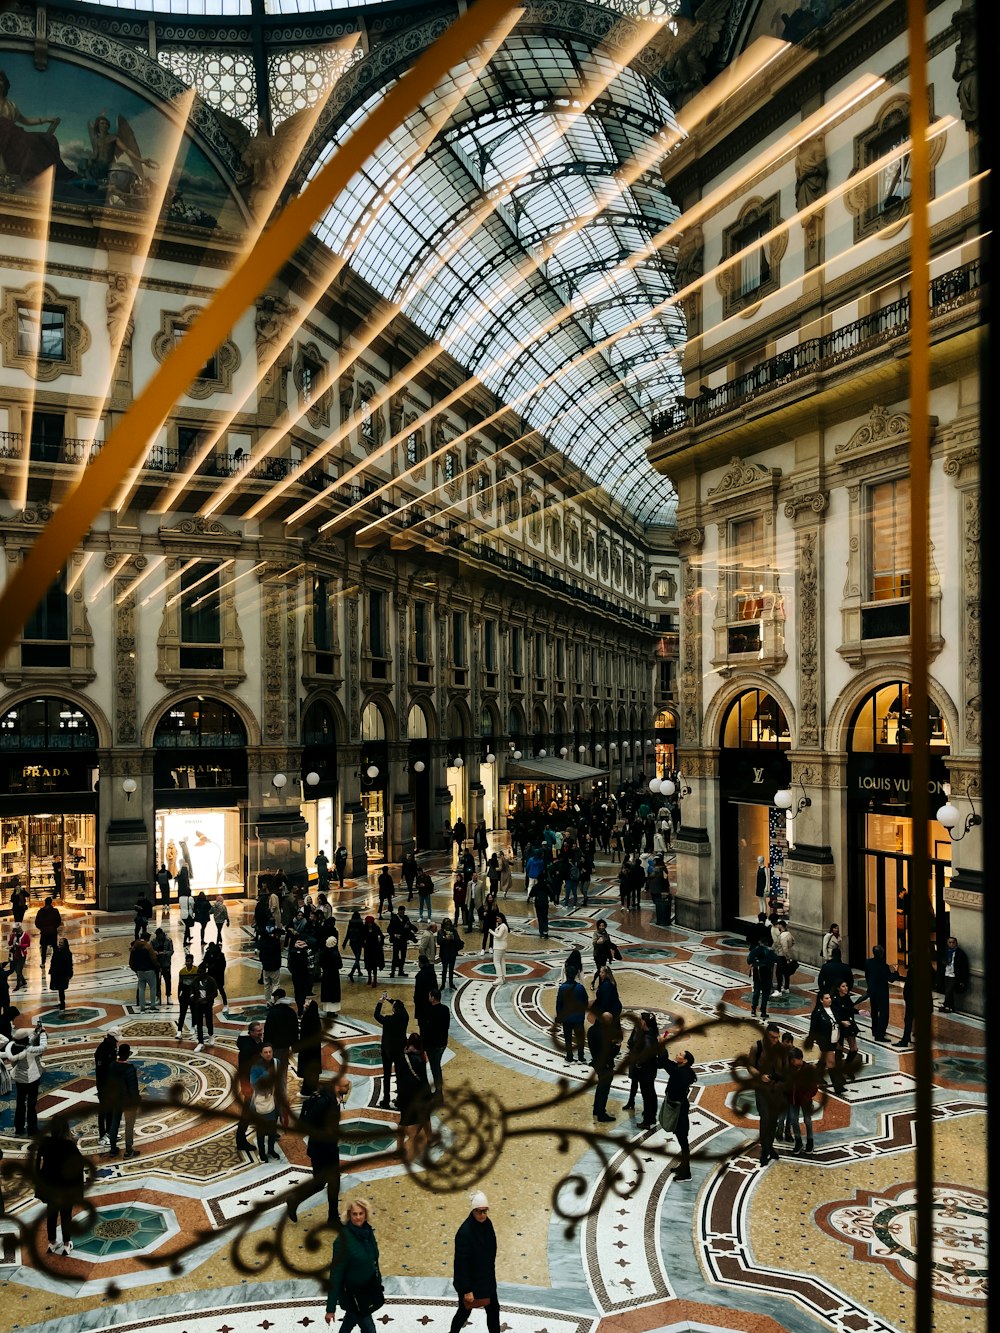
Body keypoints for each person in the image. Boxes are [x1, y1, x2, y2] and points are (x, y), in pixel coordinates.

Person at [288, 1072, 350, 1225]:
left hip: (329, 1147)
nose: (348, 1089)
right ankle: (294, 1200)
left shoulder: (334, 1098)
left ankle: (332, 1217)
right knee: (321, 1183)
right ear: (337, 1087)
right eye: (346, 1086)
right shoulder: (323, 1102)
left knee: (332, 1182)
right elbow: (310, 1123)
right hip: (321, 1149)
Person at [325, 1197, 381, 1332]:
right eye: (354, 1214)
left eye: (361, 1213)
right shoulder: (342, 1241)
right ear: (349, 1215)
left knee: (349, 1322)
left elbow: (374, 1260)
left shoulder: (367, 1232)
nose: (358, 1218)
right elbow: (335, 1275)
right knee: (369, 1329)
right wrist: (330, 1309)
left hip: (367, 1292)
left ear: (366, 1214)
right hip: (354, 1296)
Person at [35, 1115, 88, 1255]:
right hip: (65, 1187)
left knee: (51, 1214)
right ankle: (66, 1244)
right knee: (66, 1216)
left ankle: (51, 1243)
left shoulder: (45, 1143)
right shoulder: (69, 1145)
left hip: (50, 1186)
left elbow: (38, 1163)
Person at [449, 1190, 501, 1332]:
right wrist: (467, 1290)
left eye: (485, 1211)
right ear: (473, 1211)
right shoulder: (464, 1233)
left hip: (487, 1279)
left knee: (493, 1310)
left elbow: (491, 1250)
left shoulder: (487, 1224)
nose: (483, 1215)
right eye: (479, 1212)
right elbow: (461, 1265)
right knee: (464, 1311)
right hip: (470, 1283)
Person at [741, 1023, 787, 1166]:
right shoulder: (757, 1047)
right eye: (773, 1038)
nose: (775, 1040)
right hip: (762, 1088)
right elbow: (750, 1066)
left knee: (773, 1119)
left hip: (777, 1089)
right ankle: (764, 1150)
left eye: (777, 1038)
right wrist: (760, 1076)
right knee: (765, 1118)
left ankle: (770, 1146)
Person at [655, 1044, 698, 1180]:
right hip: (679, 1107)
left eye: (680, 1054)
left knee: (683, 1140)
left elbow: (665, 1063)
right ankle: (683, 1167)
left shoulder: (680, 1072)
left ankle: (687, 1173)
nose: (678, 1054)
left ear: (684, 1060)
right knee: (681, 1139)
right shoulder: (681, 1069)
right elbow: (665, 1062)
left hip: (679, 1109)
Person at [395, 1030, 432, 1160]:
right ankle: (415, 1144)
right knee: (421, 1119)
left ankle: (398, 1149)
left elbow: (398, 1077)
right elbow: (423, 1079)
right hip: (417, 1096)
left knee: (403, 1121)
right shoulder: (419, 1060)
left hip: (403, 1095)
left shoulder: (401, 1057)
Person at [10, 1020, 48, 1135]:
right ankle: (32, 1129)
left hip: (19, 1079)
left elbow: (28, 1040)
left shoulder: (14, 1046)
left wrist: (36, 1031)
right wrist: (42, 1034)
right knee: (31, 1105)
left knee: (20, 1103)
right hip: (31, 1079)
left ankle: (19, 1128)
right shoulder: (29, 1050)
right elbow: (43, 1047)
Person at [106, 1042, 141, 1158]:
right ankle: (128, 1150)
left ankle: (112, 1149)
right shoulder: (129, 1069)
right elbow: (133, 1088)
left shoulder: (112, 1065)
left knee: (114, 1123)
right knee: (129, 1125)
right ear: (128, 1055)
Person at [235, 1020, 264, 1155]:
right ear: (251, 1032)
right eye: (258, 1030)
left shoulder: (255, 1042)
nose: (261, 1032)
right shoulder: (248, 1048)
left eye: (261, 1029)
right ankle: (241, 1141)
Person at [249, 1044, 282, 1161]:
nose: (268, 1054)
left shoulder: (277, 1062)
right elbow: (253, 1084)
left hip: (274, 1100)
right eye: (266, 1052)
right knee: (261, 1130)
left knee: (273, 1129)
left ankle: (271, 1150)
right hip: (261, 1100)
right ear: (261, 1054)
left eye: (270, 1052)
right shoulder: (256, 1066)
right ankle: (262, 1153)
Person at [858, 944, 897, 1041]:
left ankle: (875, 1030)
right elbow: (891, 979)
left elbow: (867, 975)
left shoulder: (868, 962)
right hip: (882, 993)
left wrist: (870, 986)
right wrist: (896, 972)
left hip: (872, 991)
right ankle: (879, 1035)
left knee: (874, 1012)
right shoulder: (884, 966)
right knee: (884, 1014)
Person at [375, 994, 408, 1109]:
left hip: (387, 1051)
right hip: (400, 1051)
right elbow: (401, 1008)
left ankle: (386, 1099)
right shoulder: (405, 1017)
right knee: (400, 1076)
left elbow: (376, 1015)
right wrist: (390, 1000)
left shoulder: (388, 1020)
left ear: (394, 1009)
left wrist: (380, 1002)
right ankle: (401, 1100)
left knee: (387, 1076)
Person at [588, 1010, 621, 1123]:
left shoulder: (591, 1030)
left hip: (596, 1062)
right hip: (605, 1064)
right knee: (604, 1089)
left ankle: (597, 1109)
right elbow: (610, 1053)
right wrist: (617, 1047)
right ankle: (601, 1113)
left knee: (600, 1087)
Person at [785, 1047, 819, 1154]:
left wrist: (806, 1097)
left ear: (800, 1058)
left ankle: (810, 1142)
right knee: (794, 1121)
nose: (792, 1062)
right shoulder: (790, 1069)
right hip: (793, 1100)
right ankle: (798, 1142)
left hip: (805, 1101)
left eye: (793, 1060)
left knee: (807, 1121)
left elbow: (814, 1087)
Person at [94, 1027, 120, 1148]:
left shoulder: (112, 1046)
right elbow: (102, 1069)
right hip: (104, 1084)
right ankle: (102, 1136)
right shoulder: (102, 1049)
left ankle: (110, 1132)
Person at [556, 970, 589, 1064]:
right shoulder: (580, 987)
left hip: (566, 1018)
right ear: (575, 976)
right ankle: (581, 1057)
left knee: (568, 1038)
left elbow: (559, 1004)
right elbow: (585, 1001)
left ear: (566, 975)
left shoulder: (562, 988)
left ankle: (569, 1056)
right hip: (578, 1017)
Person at [424, 987, 451, 1097]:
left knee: (435, 1067)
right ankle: (438, 1089)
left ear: (433, 998)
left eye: (429, 995)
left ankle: (438, 1092)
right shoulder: (445, 1009)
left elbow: (428, 1030)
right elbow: (447, 1026)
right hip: (443, 1043)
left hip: (433, 1045)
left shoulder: (430, 1011)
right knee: (436, 1066)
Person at [297, 997, 323, 1098]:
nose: (304, 1004)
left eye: (306, 1003)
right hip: (314, 1049)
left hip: (308, 1050)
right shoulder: (315, 1018)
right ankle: (312, 1087)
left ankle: (306, 1091)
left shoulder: (308, 1019)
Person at [747, 936, 779, 1019]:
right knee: (765, 994)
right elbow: (777, 960)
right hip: (767, 975)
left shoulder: (755, 950)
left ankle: (753, 1009)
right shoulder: (769, 952)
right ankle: (763, 1011)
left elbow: (748, 961)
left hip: (757, 974)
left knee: (756, 992)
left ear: (759, 942)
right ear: (767, 944)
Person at [129, 933, 160, 1012]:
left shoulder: (135, 946)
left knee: (141, 988)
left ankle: (142, 1006)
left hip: (139, 971)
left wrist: (135, 970)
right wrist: (158, 967)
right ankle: (153, 1005)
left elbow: (131, 961)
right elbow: (153, 959)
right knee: (153, 987)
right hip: (149, 970)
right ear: (147, 938)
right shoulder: (148, 946)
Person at [939, 936, 970, 1012]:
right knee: (948, 991)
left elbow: (964, 967)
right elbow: (942, 963)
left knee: (948, 991)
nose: (951, 944)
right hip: (946, 974)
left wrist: (963, 979)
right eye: (950, 942)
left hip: (954, 976)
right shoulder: (945, 952)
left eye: (953, 942)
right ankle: (950, 1007)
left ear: (956, 943)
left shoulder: (960, 953)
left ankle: (945, 1004)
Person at [389, 904, 418, 978]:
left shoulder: (405, 918)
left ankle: (400, 971)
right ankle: (392, 972)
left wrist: (414, 930)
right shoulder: (394, 918)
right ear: (398, 911)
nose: (402, 913)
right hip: (396, 940)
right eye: (401, 911)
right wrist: (394, 935)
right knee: (395, 956)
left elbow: (409, 926)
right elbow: (389, 929)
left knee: (403, 956)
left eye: (403, 912)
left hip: (403, 940)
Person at [34, 896, 62, 968]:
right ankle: (56, 962)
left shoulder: (40, 911)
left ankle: (43, 963)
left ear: (45, 902)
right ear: (51, 902)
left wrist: (42, 928)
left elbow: (37, 922)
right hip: (53, 932)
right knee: (54, 947)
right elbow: (59, 921)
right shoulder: (55, 911)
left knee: (44, 948)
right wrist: (54, 927)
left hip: (44, 933)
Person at [438, 917, 464, 991]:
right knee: (444, 970)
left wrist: (453, 939)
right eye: (446, 925)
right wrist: (445, 939)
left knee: (451, 969)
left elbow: (458, 940)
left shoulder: (454, 931)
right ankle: (443, 984)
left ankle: (451, 983)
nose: (448, 926)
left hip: (452, 953)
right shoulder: (441, 931)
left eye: (449, 925)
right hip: (444, 954)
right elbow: (439, 941)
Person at [259, 923, 283, 1002]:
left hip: (266, 967)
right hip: (275, 967)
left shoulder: (264, 942)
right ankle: (274, 1000)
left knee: (266, 985)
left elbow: (261, 955)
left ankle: (268, 1001)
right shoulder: (276, 943)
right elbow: (278, 956)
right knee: (276, 984)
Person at [320, 934, 343, 1017]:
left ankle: (327, 1010)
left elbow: (320, 963)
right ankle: (332, 1011)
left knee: (327, 992)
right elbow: (340, 965)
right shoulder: (335, 953)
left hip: (325, 975)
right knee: (333, 992)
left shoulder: (323, 952)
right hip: (334, 975)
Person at [203, 939, 229, 1012]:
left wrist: (215, 967)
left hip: (219, 975)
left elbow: (223, 965)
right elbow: (205, 962)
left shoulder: (220, 955)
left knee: (221, 990)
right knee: (209, 991)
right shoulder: (208, 953)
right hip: (211, 975)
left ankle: (225, 1004)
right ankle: (209, 1005)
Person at [48, 937, 74, 1010]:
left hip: (63, 974)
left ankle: (62, 1004)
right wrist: (51, 970)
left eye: (61, 943)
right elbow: (53, 961)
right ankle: (61, 1003)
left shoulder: (68, 953)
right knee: (59, 989)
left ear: (65, 944)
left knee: (61, 989)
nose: (59, 944)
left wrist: (69, 974)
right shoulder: (56, 951)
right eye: (59, 942)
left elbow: (69, 964)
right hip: (56, 973)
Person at [151, 926, 174, 1006]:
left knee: (168, 980)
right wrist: (155, 953)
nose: (158, 937)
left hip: (166, 963)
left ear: (162, 934)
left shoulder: (168, 940)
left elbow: (171, 951)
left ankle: (168, 995)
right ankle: (158, 996)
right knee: (157, 981)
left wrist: (164, 953)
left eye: (159, 935)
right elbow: (151, 951)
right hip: (157, 964)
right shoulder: (154, 941)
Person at [362, 915, 385, 988]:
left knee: (374, 965)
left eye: (370, 923)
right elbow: (361, 937)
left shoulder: (376, 928)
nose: (369, 924)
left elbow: (381, 936)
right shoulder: (364, 929)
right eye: (368, 923)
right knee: (368, 964)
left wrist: (380, 943)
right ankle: (369, 978)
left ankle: (375, 979)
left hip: (375, 949)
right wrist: (364, 944)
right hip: (368, 949)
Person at [7, 921, 29, 991]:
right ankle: (23, 981)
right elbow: (10, 943)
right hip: (14, 954)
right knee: (16, 970)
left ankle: (18, 985)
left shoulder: (25, 935)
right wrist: (11, 939)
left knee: (19, 970)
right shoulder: (13, 935)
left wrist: (20, 945)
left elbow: (28, 944)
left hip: (21, 954)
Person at [489, 911, 509, 984]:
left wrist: (491, 931)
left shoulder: (502, 926)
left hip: (499, 946)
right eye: (496, 918)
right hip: (502, 946)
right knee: (502, 961)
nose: (497, 920)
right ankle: (503, 977)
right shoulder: (503, 925)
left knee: (496, 962)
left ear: (501, 918)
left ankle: (499, 978)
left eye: (498, 918)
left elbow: (499, 936)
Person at [345, 910, 365, 982]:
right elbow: (363, 933)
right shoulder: (360, 922)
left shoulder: (351, 922)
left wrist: (345, 943)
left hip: (352, 942)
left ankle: (359, 972)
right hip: (359, 942)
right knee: (357, 958)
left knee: (357, 957)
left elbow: (348, 933)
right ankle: (352, 972)